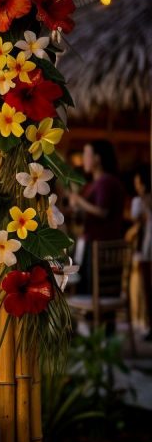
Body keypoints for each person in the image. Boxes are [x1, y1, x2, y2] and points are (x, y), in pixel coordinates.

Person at [69, 141, 127, 301]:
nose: (83, 159)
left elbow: (102, 211)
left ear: (97, 158)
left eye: (87, 155)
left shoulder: (105, 182)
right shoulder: (94, 184)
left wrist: (79, 201)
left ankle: (93, 323)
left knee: (90, 292)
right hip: (94, 245)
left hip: (99, 247)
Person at [130, 169, 152, 340]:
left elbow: (135, 220)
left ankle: (146, 322)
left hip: (146, 246)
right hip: (146, 245)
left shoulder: (139, 201)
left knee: (145, 286)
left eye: (138, 184)